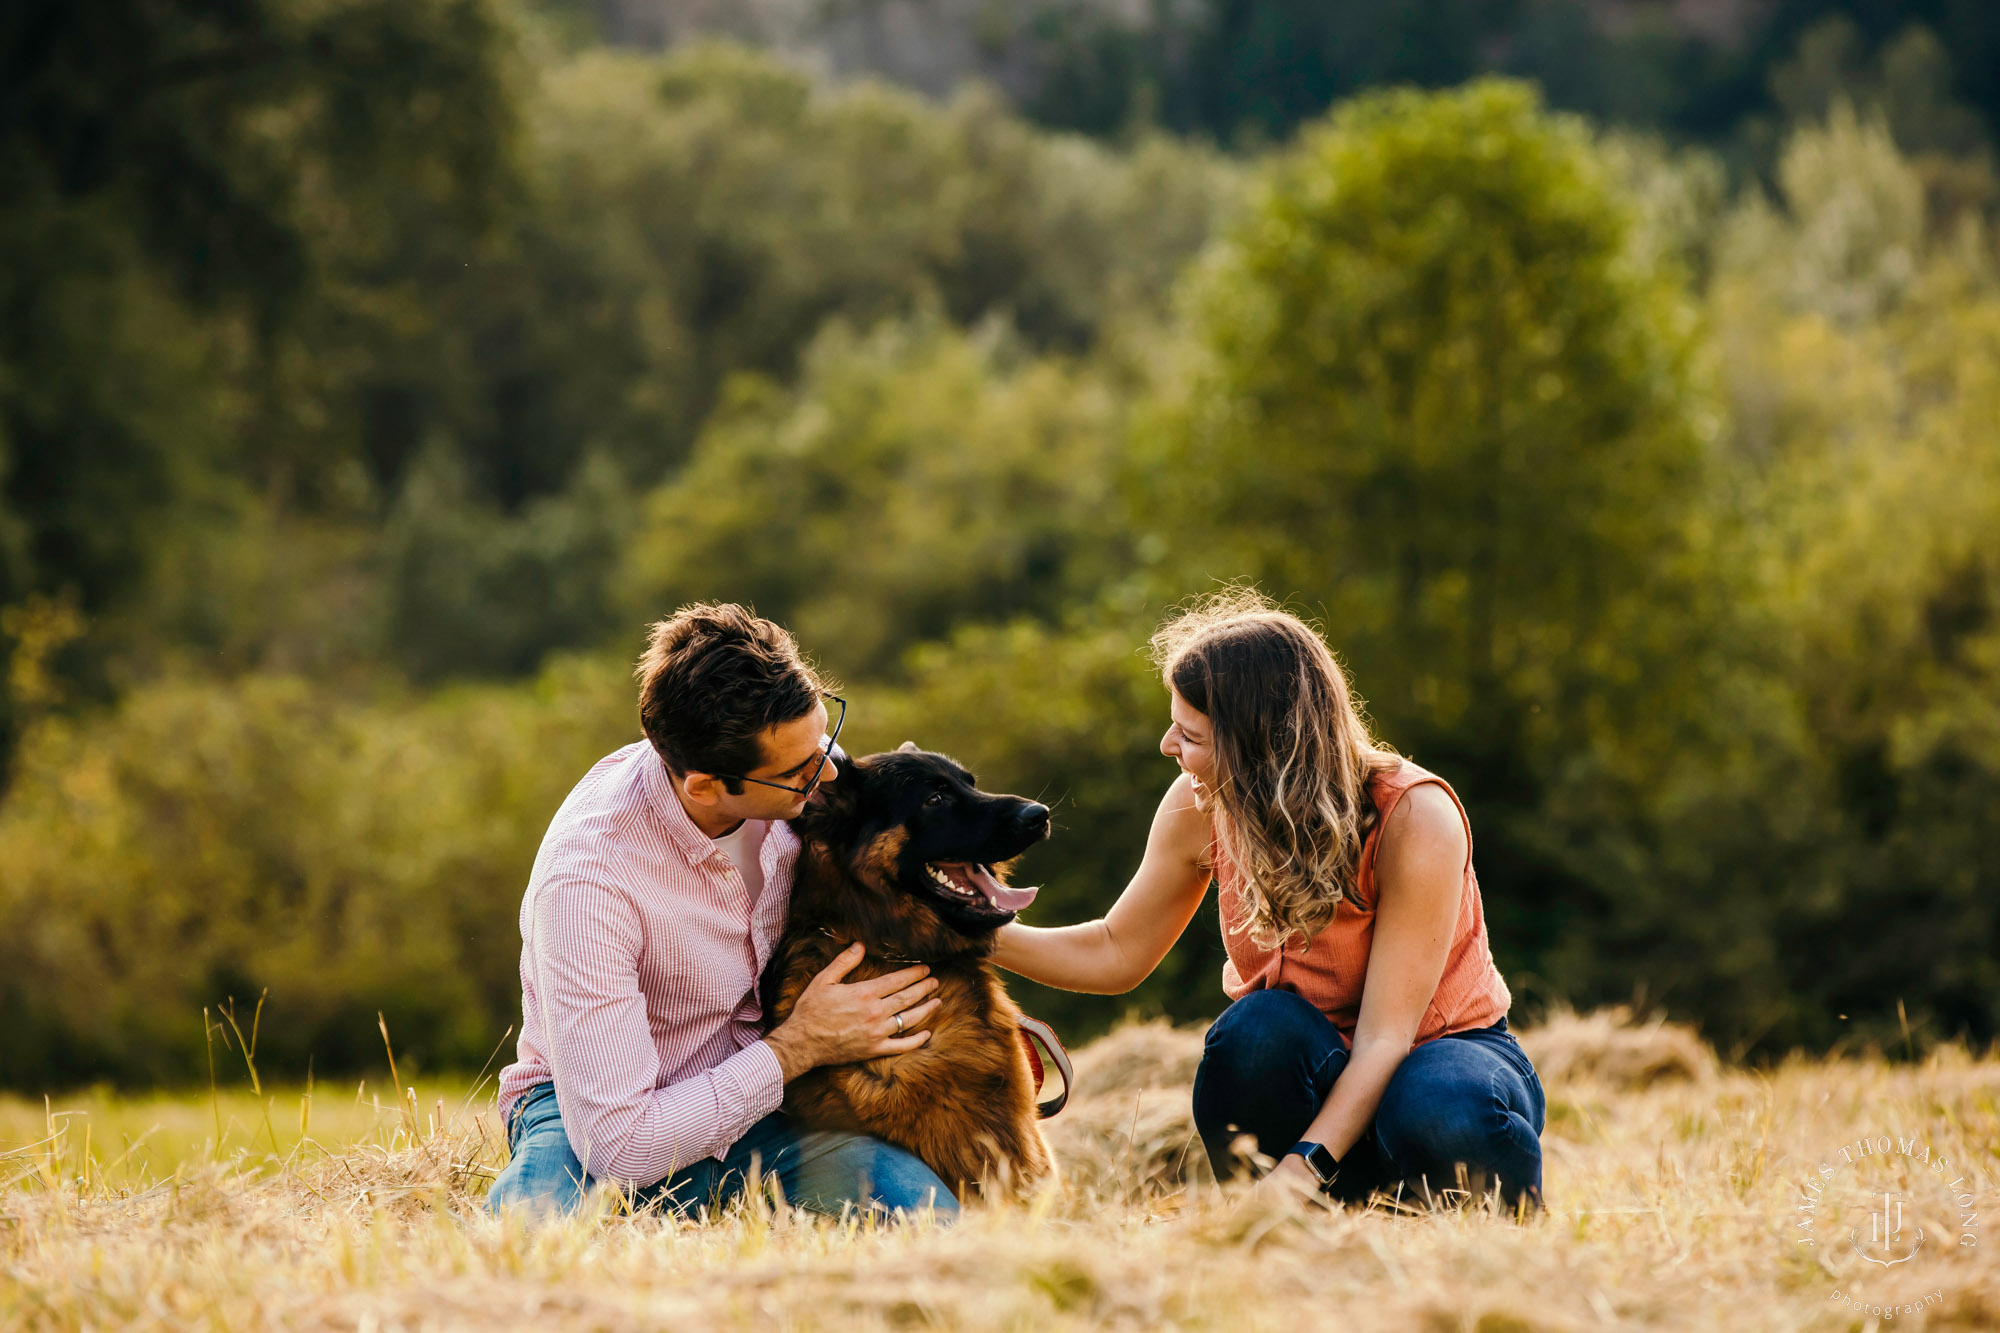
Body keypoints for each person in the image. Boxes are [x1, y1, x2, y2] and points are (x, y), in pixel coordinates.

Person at [994, 590, 1547, 1211]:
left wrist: (1299, 1169)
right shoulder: (1198, 803)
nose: (1167, 747)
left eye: (1190, 734)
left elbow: (1385, 1040)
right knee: (1253, 1035)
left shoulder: (1414, 816)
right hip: (1317, 1062)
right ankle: (1320, 1226)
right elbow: (1116, 951)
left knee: (1437, 1106)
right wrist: (969, 933)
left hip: (1442, 1053)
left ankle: (1483, 1223)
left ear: (1259, 747)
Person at [488, 603, 955, 1221]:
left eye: (825, 739)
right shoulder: (589, 881)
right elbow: (620, 1147)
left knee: (929, 1221)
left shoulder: (805, 790)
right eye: (797, 770)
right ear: (705, 786)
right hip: (596, 1117)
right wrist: (798, 1047)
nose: (830, 772)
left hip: (773, 1108)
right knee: (530, 1236)